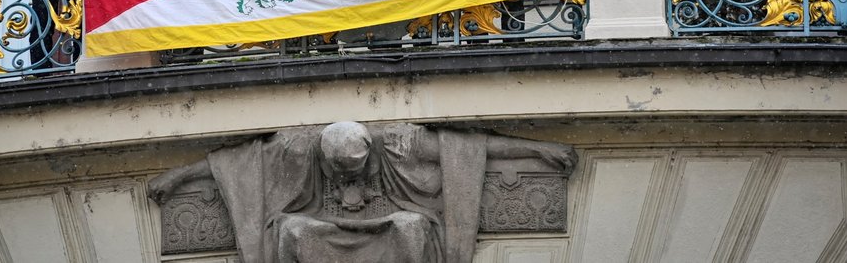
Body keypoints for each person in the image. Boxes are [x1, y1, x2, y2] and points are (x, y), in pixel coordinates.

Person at [148, 120, 577, 262]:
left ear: (369, 151)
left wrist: (538, 149)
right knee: (293, 231)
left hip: (386, 226)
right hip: (323, 227)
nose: (344, 176)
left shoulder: (399, 143)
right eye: (337, 169)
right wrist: (177, 176)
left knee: (410, 225)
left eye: (353, 168)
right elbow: (237, 162)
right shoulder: (298, 149)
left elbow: (467, 147)